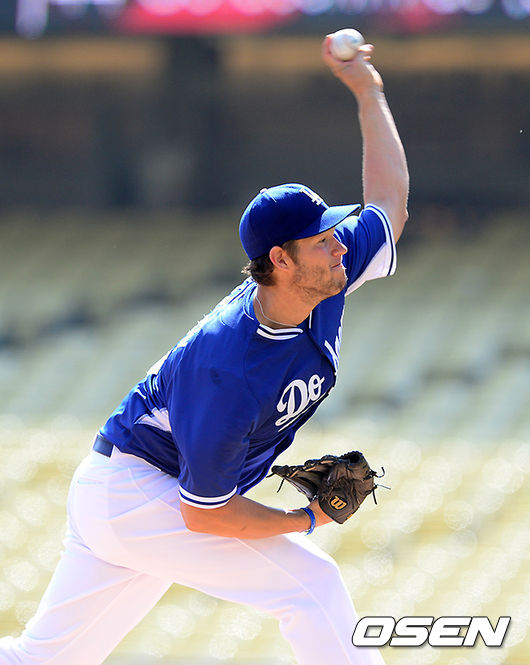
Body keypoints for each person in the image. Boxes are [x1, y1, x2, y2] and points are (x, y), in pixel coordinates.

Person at [0, 36, 408, 665]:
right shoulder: (227, 367)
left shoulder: (317, 280)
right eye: (323, 239)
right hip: (143, 494)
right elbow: (206, 516)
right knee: (313, 588)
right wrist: (307, 520)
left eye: (334, 233)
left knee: (43, 660)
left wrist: (367, 91)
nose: (339, 246)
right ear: (280, 260)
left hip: (121, 490)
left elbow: (389, 204)